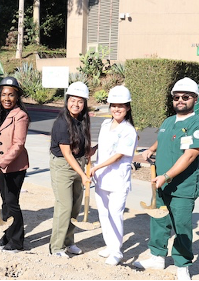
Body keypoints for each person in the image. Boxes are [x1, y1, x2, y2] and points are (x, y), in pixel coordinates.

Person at [134, 77, 199, 280]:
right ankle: (157, 257)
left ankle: (182, 265)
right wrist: (150, 150)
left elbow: (190, 155)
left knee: (182, 226)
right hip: (162, 184)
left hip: (183, 187)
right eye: (176, 97)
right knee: (159, 220)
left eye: (185, 97)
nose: (180, 100)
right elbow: (162, 139)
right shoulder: (168, 122)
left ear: (195, 98)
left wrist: (166, 176)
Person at [89, 85, 138, 266]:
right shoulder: (105, 124)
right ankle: (110, 246)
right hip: (101, 178)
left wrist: (97, 166)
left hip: (117, 180)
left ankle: (117, 251)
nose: (116, 109)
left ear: (128, 108)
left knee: (115, 214)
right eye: (113, 105)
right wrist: (92, 150)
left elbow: (118, 155)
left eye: (121, 105)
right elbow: (102, 145)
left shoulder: (129, 130)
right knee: (103, 213)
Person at [48, 81, 93, 258]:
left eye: (80, 101)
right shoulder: (61, 123)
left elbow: (81, 148)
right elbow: (67, 153)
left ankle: (68, 241)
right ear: (67, 101)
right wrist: (83, 175)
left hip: (78, 164)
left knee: (75, 207)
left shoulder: (81, 120)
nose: (76, 104)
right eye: (73, 100)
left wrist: (93, 151)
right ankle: (56, 247)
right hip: (63, 167)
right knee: (64, 206)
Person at [0, 76, 30, 253]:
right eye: (4, 94)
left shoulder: (21, 116)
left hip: (14, 167)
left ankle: (17, 241)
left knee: (12, 203)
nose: (7, 98)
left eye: (11, 95)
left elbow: (18, 144)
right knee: (5, 203)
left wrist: (0, 163)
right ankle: (7, 234)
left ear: (17, 97)